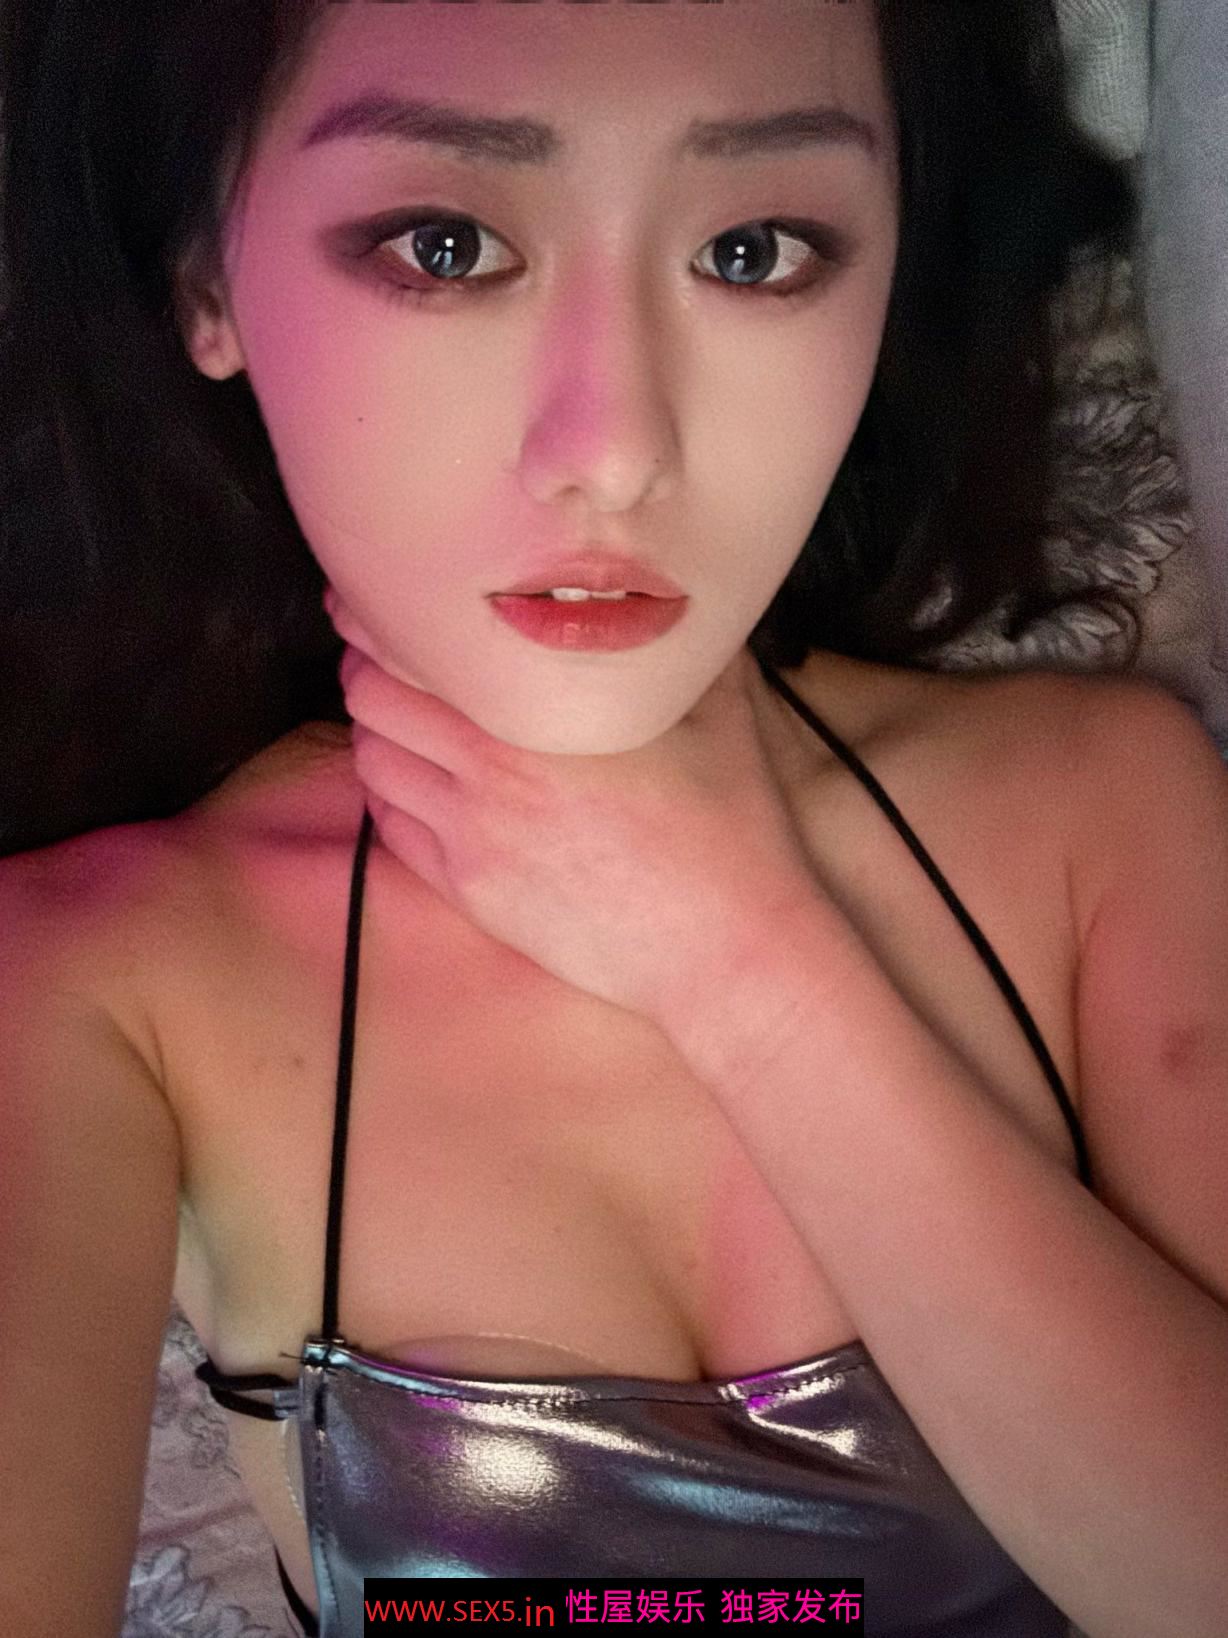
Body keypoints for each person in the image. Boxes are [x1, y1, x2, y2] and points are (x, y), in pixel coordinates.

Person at [1, 3, 1226, 1636]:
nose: (619, 449)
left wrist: (747, 966)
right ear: (205, 280)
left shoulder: (1103, 806)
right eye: (445, 245)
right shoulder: (92, 986)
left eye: (753, 250)